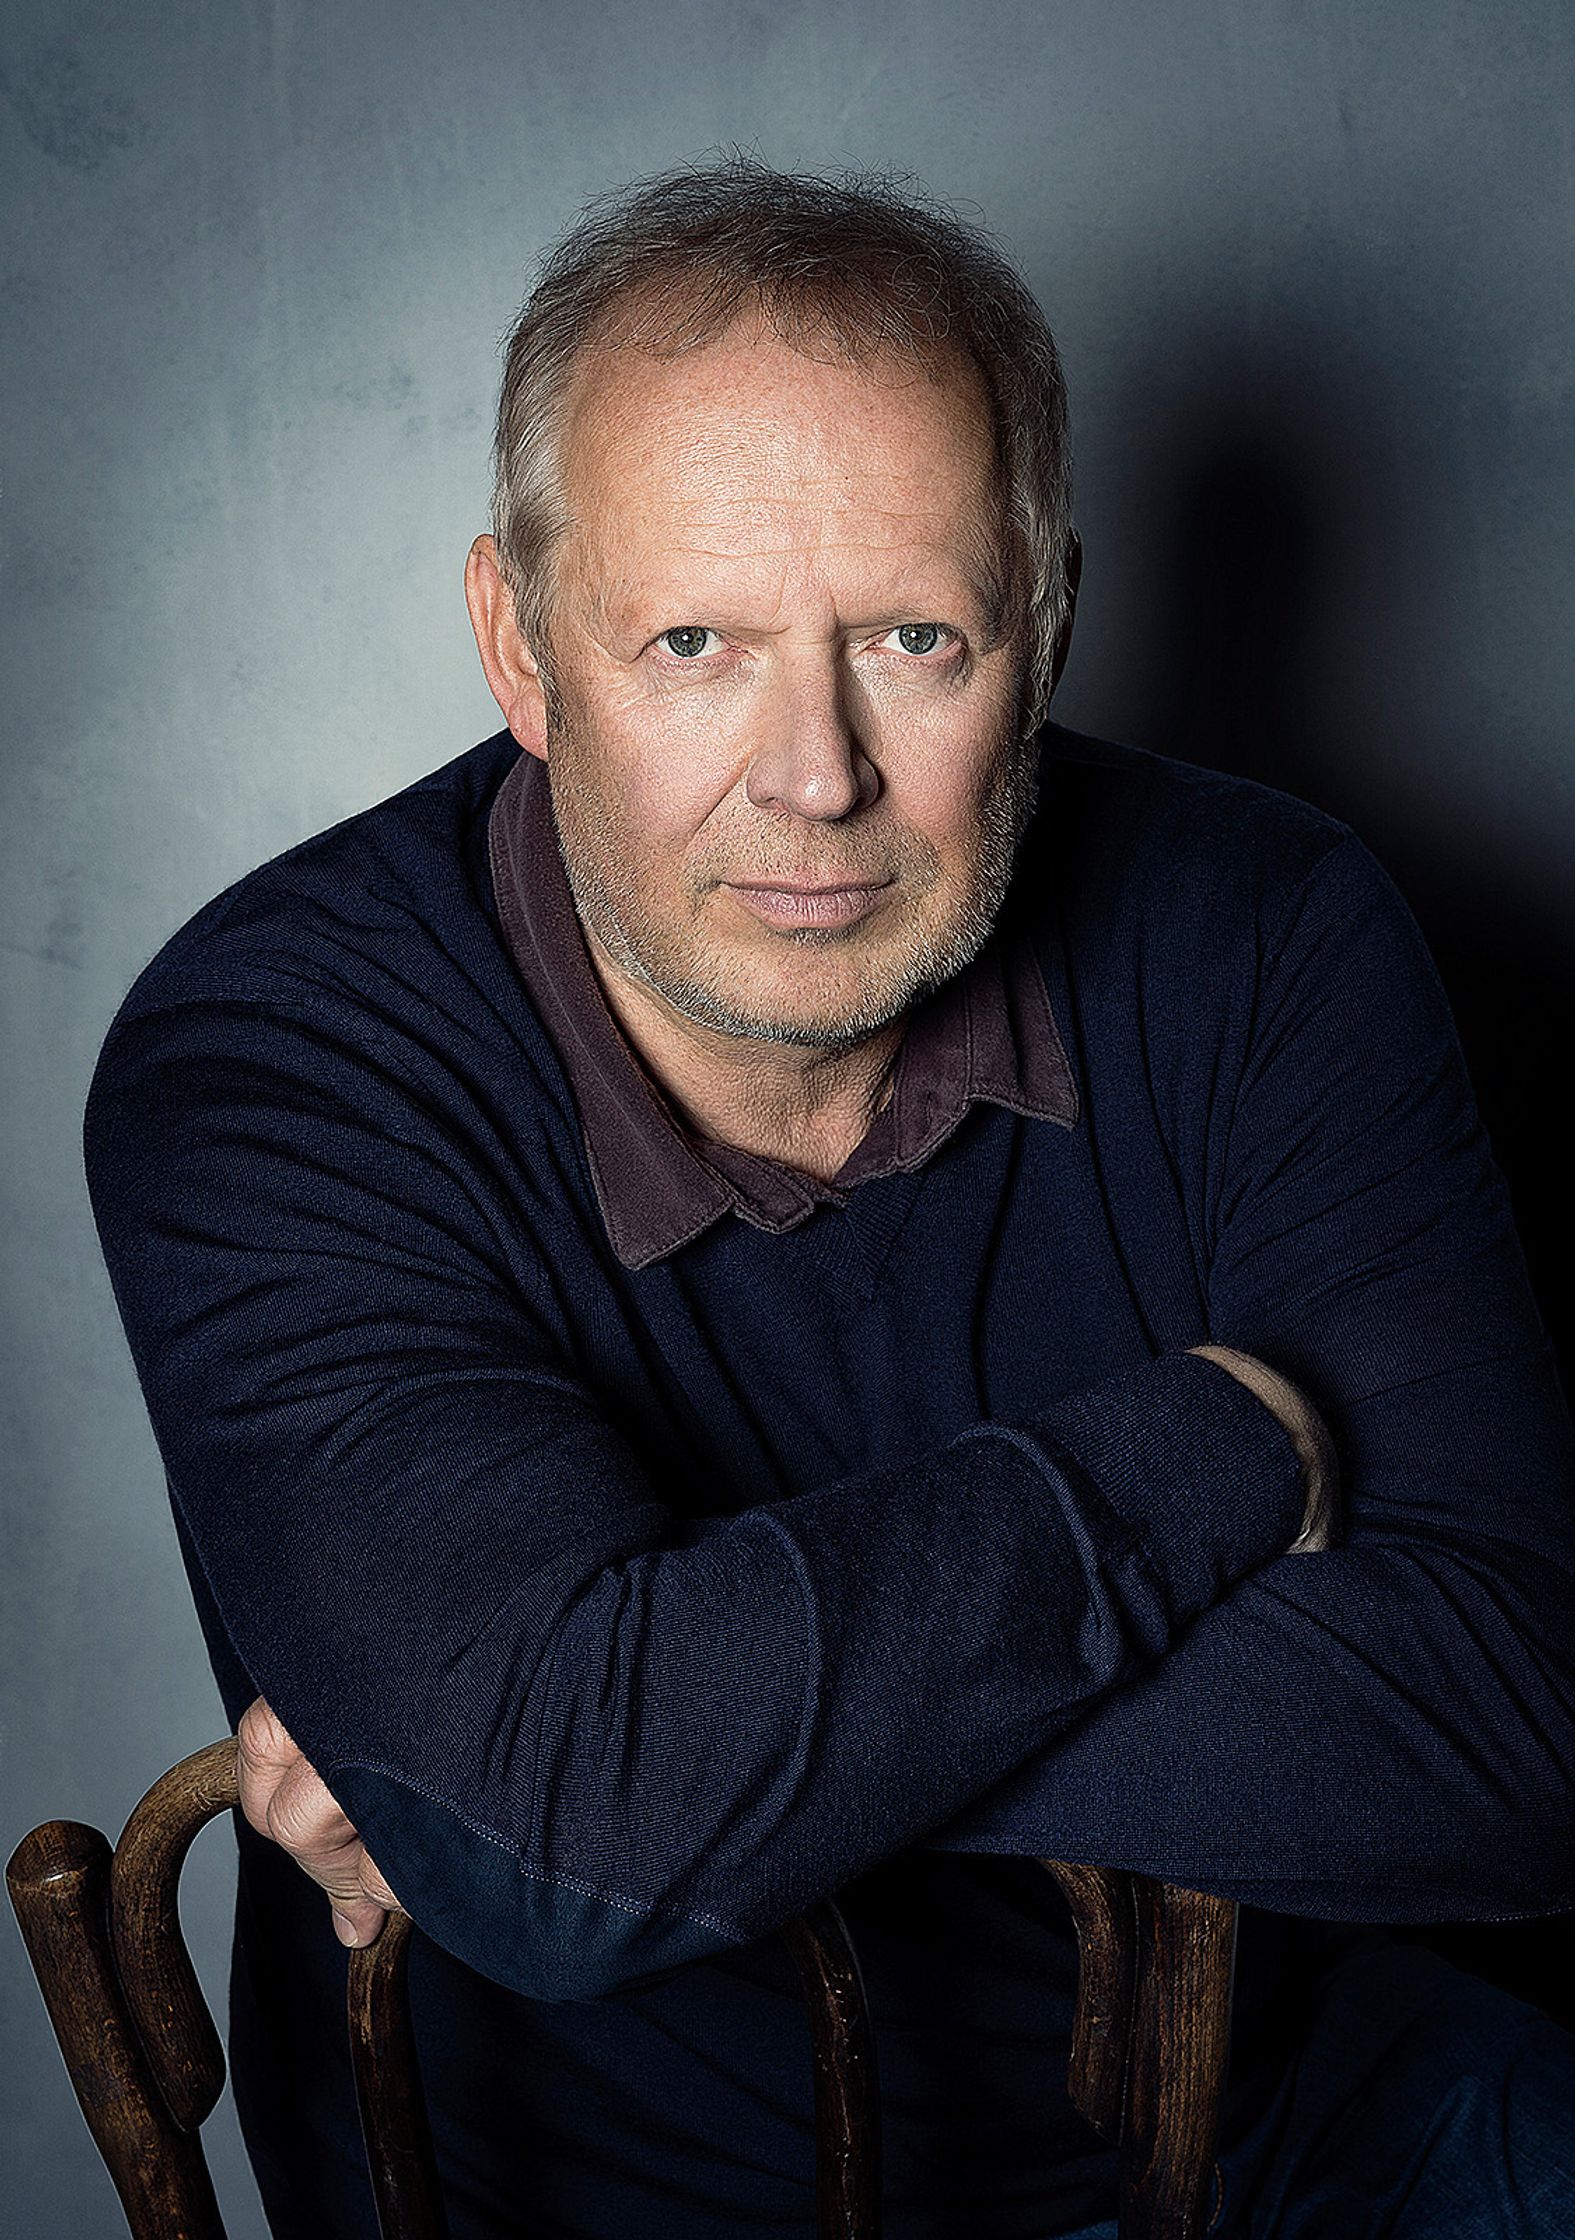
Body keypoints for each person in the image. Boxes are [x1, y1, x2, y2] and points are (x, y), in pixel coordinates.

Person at [81, 156, 1575, 2238]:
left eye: (911, 636)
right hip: (609, 2200)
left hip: (1282, 2125)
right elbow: (559, 1816)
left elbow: (1520, 1719)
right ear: (519, 647)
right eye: (690, 640)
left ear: (1040, 624)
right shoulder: (277, 1052)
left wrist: (628, 1729)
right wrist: (1229, 1443)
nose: (814, 770)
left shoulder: (1263, 931)